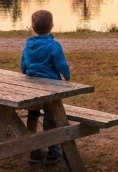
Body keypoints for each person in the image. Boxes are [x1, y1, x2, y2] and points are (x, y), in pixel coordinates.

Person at [22, 9, 71, 165]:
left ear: (32, 26)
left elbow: (24, 63)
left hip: (32, 86)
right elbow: (61, 64)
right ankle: (54, 151)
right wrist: (67, 76)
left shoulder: (29, 44)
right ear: (51, 26)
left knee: (33, 114)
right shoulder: (54, 45)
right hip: (50, 88)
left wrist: (25, 73)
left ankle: (34, 151)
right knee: (51, 117)